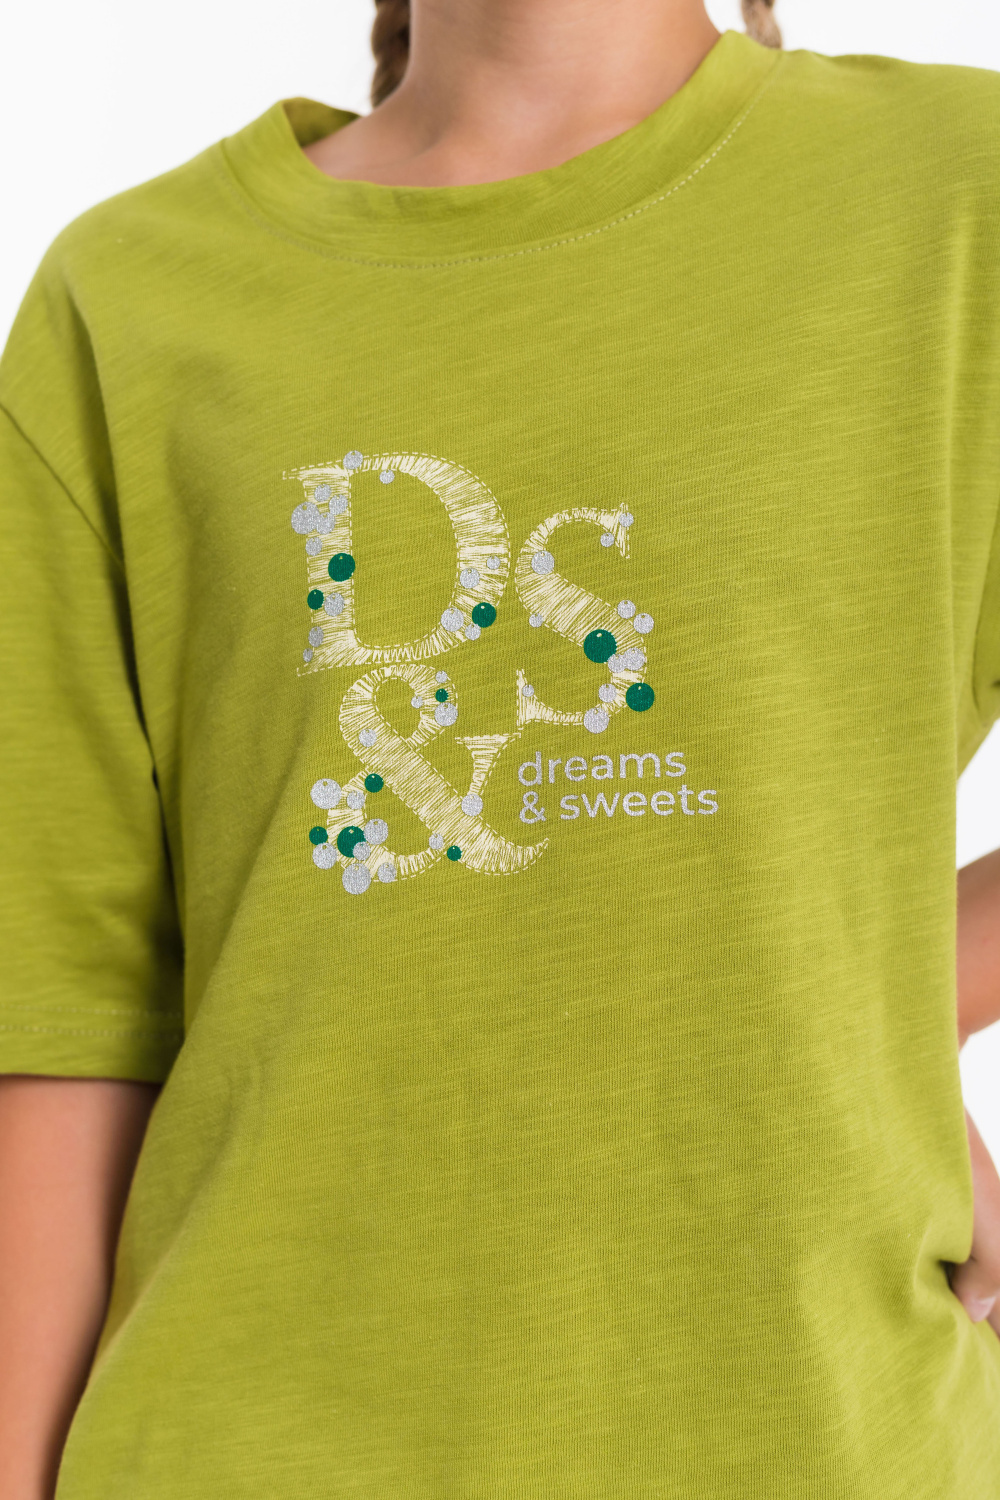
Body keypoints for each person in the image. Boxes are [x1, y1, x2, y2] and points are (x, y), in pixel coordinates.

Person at [1, 0, 999, 1493]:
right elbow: (65, 1015)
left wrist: (874, 1012)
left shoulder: (956, 198)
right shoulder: (128, 297)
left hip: (816, 1437)